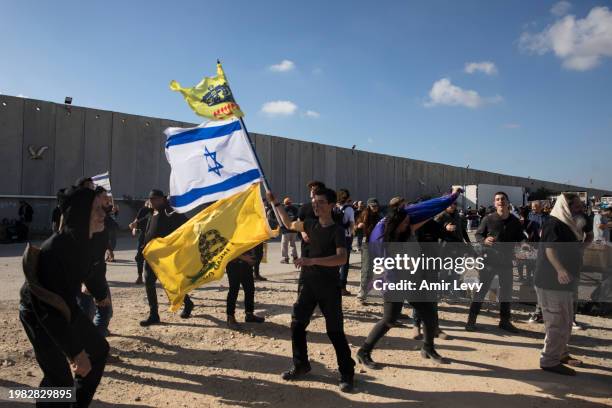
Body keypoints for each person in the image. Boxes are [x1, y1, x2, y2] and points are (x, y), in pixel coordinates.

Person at [19, 186, 110, 406]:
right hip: (38, 313)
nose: (103, 214)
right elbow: (47, 309)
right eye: (96, 209)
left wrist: (99, 294)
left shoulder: (87, 241)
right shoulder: (55, 251)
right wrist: (75, 352)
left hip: (65, 307)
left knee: (99, 350)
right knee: (58, 380)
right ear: (80, 215)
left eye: (102, 208)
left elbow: (92, 270)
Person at [356, 188, 463, 370]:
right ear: (395, 224)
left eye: (409, 222)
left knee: (429, 315)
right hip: (394, 282)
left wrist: (449, 198)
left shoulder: (407, 227)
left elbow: (427, 211)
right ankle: (363, 351)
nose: (409, 224)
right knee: (389, 319)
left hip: (412, 280)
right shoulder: (383, 240)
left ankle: (428, 348)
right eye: (405, 223)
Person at [267, 188, 355, 393]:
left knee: (334, 332)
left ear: (332, 205)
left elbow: (342, 258)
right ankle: (301, 365)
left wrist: (312, 260)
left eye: (321, 202)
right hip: (307, 284)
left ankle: (347, 372)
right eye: (315, 201)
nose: (316, 205)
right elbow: (288, 224)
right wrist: (275, 202)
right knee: (297, 324)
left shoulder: (337, 230)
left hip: (328, 287)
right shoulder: (310, 224)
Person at [535, 193, 585, 376]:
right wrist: (560, 269)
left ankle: (561, 354)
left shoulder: (569, 224)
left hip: (565, 282)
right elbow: (550, 249)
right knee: (556, 322)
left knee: (566, 320)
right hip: (550, 281)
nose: (581, 209)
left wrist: (586, 239)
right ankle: (549, 360)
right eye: (577, 206)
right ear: (566, 206)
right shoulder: (553, 223)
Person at [466, 192, 525, 333]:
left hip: (506, 262)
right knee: (482, 290)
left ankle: (504, 321)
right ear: (494, 202)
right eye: (498, 199)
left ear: (508, 201)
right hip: (489, 262)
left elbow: (520, 238)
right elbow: (478, 234)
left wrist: (523, 246)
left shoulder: (515, 221)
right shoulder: (488, 219)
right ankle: (471, 321)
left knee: (506, 292)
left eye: (503, 199)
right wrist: (484, 240)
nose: (500, 201)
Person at [140, 189, 194, 326]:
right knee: (149, 283)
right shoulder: (153, 212)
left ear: (162, 199)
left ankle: (187, 303)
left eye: (154, 199)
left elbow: (187, 225)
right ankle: (154, 314)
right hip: (151, 256)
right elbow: (149, 230)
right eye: (150, 199)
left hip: (166, 257)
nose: (151, 202)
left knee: (171, 284)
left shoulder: (170, 212)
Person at [77, 187, 114, 338]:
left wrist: (109, 249)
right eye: (105, 197)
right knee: (90, 312)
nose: (108, 199)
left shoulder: (101, 218)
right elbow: (81, 254)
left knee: (105, 310)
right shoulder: (84, 223)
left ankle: (97, 339)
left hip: (98, 274)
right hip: (88, 277)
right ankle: (93, 346)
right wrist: (85, 281)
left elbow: (103, 240)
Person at [226, 248, 266, 329]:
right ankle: (230, 317)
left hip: (246, 265)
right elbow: (229, 249)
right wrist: (245, 258)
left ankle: (249, 315)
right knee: (234, 291)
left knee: (250, 289)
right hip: (233, 264)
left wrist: (252, 257)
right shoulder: (231, 235)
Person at [356, 198, 383, 304]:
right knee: (366, 269)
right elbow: (356, 226)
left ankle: (366, 293)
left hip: (376, 244)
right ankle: (361, 295)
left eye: (376, 206)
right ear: (369, 206)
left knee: (373, 270)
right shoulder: (364, 215)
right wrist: (359, 226)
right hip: (367, 244)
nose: (374, 208)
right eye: (372, 206)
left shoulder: (379, 216)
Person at [297, 180, 326, 257]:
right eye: (311, 189)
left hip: (323, 245)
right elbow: (299, 221)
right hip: (307, 245)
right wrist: (303, 233)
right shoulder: (304, 207)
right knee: (306, 267)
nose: (312, 191)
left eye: (315, 189)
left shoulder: (327, 207)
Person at [336, 189, 355, 296]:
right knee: (344, 263)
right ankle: (342, 287)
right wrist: (352, 234)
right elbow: (351, 224)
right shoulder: (349, 209)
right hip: (345, 237)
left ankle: (333, 284)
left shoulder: (334, 207)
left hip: (334, 236)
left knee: (335, 261)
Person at [129, 200, 153, 284]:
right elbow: (136, 220)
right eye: (150, 202)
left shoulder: (159, 210)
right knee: (139, 256)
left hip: (155, 236)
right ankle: (139, 276)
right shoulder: (143, 210)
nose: (151, 204)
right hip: (144, 236)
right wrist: (134, 227)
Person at [280, 197, 299, 264]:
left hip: (286, 230)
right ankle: (295, 257)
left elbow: (281, 218)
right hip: (294, 229)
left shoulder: (283, 209)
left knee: (284, 244)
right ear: (291, 202)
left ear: (284, 203)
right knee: (292, 244)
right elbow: (298, 218)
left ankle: (286, 258)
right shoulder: (295, 209)